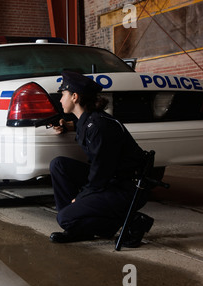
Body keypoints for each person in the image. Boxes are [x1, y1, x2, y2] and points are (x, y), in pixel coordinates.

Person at [49, 70, 154, 247]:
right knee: (59, 165)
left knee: (64, 217)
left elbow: (100, 174)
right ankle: (76, 226)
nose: (60, 99)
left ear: (74, 97)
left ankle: (132, 221)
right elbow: (85, 128)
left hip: (126, 188)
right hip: (112, 181)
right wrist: (67, 125)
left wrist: (81, 197)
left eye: (63, 94)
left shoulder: (99, 127)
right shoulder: (89, 120)